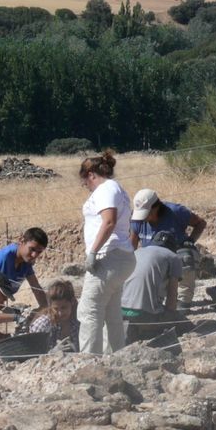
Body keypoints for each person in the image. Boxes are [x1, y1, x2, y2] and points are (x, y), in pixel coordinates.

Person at [77, 150, 136, 355]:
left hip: (109, 257)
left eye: (85, 182)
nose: (86, 187)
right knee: (111, 312)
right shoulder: (116, 189)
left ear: (91, 175)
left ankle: (88, 360)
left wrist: (93, 251)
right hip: (120, 256)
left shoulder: (104, 190)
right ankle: (115, 356)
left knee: (89, 311)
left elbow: (109, 221)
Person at [130, 189, 207, 309]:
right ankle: (155, 301)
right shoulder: (137, 219)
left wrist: (190, 241)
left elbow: (201, 223)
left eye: (146, 213)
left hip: (177, 256)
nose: (143, 218)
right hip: (154, 261)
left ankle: (183, 302)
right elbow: (132, 246)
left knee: (186, 255)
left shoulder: (176, 212)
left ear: (156, 207)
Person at [122, 232, 184, 344]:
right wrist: (171, 316)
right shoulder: (173, 257)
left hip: (120, 311)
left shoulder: (137, 252)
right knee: (180, 320)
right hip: (144, 315)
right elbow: (172, 295)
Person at [22, 279, 80, 353]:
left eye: (64, 307)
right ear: (50, 306)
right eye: (56, 308)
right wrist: (52, 352)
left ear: (72, 302)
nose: (60, 313)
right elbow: (31, 352)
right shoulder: (43, 324)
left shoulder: (77, 323)